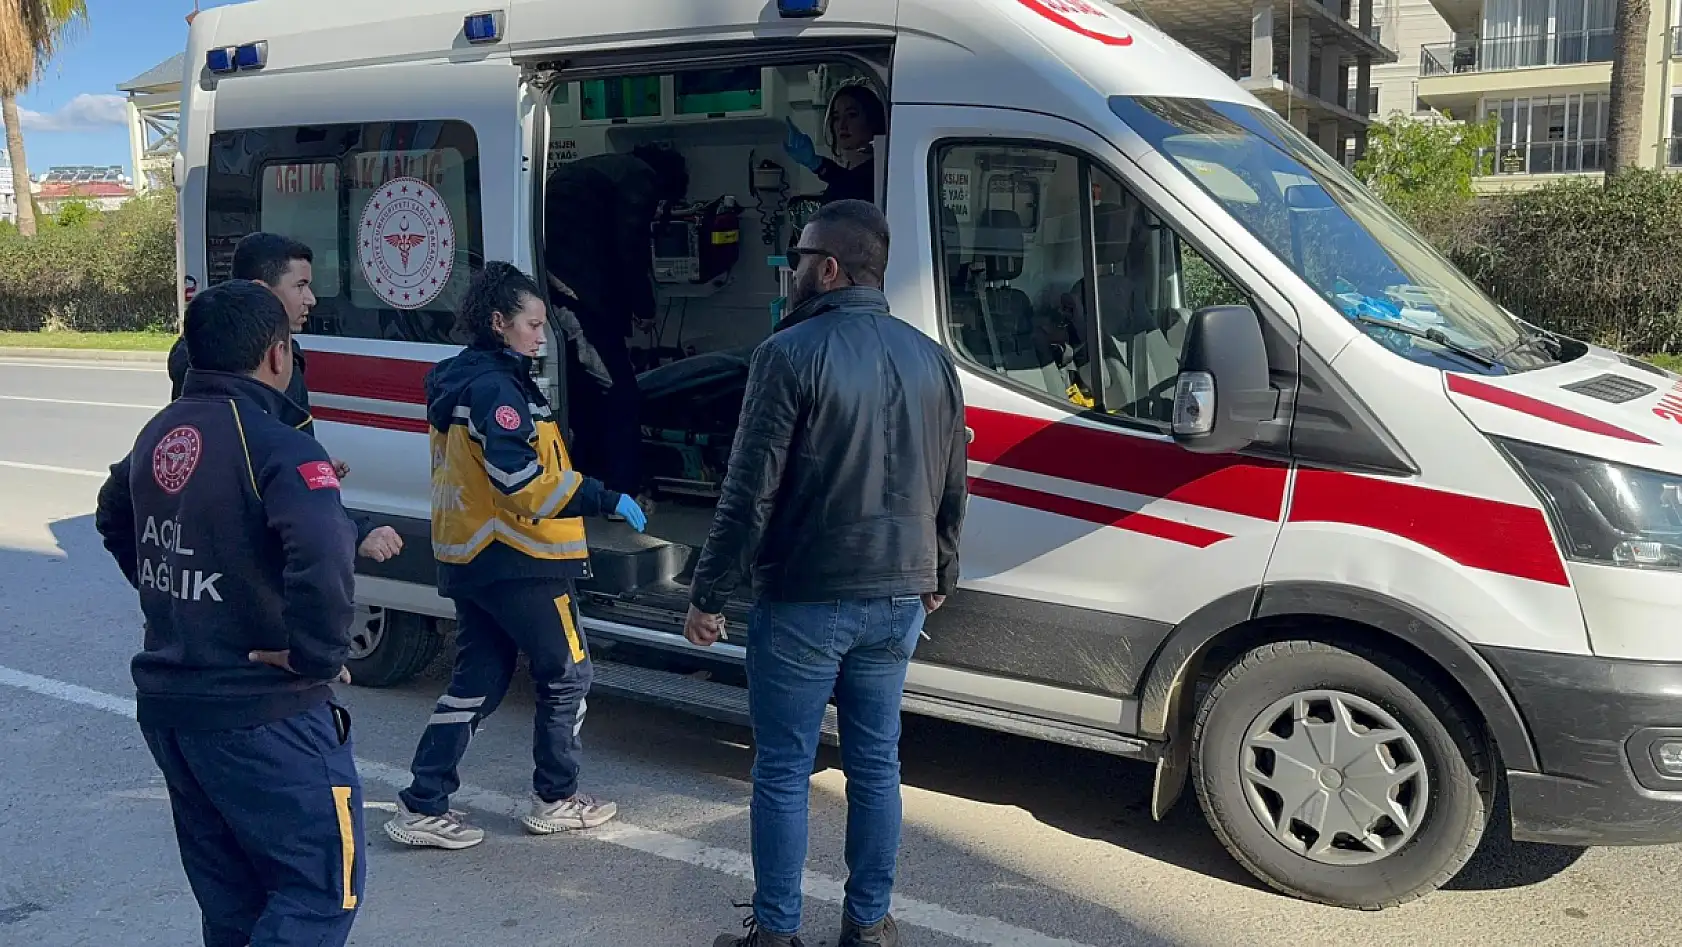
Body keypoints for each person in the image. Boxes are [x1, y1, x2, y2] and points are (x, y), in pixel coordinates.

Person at [683, 200, 969, 947]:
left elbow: (749, 490)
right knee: (877, 763)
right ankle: (869, 926)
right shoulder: (931, 355)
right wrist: (940, 566)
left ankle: (776, 933)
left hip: (806, 594)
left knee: (783, 768)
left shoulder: (786, 353)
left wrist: (709, 593)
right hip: (899, 593)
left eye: (800, 256)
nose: (794, 267)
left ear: (830, 267)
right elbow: (951, 477)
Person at [93, 280, 365, 947]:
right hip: (263, 713)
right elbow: (326, 546)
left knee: (233, 903)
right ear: (278, 355)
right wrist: (314, 654)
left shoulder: (162, 430)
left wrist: (176, 599)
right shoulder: (278, 443)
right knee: (320, 890)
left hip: (175, 711)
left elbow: (111, 511)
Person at [384, 261, 647, 850]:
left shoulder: (466, 379)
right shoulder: (497, 389)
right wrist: (602, 495)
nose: (541, 334)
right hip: (522, 556)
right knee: (569, 674)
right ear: (499, 323)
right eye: (531, 323)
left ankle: (422, 803)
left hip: (473, 555)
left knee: (479, 678)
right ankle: (556, 797)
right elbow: (519, 478)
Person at [169, 232, 403, 564]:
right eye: (300, 286)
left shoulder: (205, 359)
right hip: (244, 570)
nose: (311, 299)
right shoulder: (252, 368)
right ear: (263, 291)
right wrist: (354, 530)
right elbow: (255, 477)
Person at [543, 144, 689, 508]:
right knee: (620, 392)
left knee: (586, 394)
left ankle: (593, 484)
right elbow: (630, 246)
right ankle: (624, 492)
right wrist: (644, 306)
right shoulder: (639, 178)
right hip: (579, 296)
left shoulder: (597, 171)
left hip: (559, 289)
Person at [782, 83, 887, 206]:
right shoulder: (846, 176)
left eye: (851, 115)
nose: (842, 125)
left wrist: (817, 164)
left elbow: (854, 186)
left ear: (872, 119)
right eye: (836, 117)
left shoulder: (880, 173)